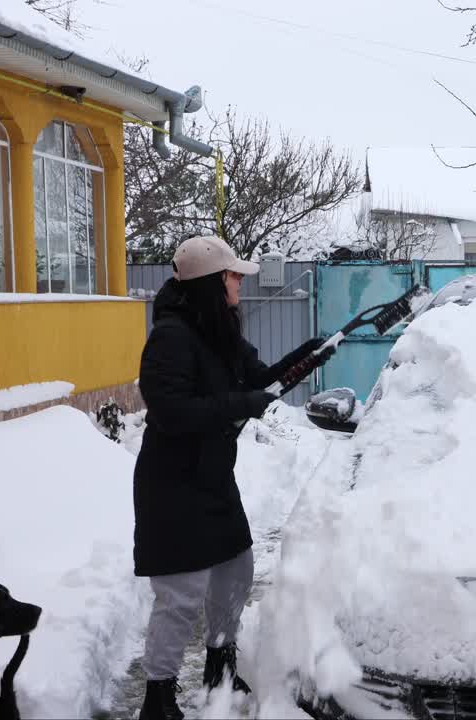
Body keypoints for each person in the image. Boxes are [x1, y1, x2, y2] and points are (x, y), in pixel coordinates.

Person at [133, 236, 322, 720]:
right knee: (179, 597)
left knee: (235, 570)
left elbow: (259, 379)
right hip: (172, 483)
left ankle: (219, 663)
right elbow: (171, 411)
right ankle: (157, 697)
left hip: (211, 476)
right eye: (234, 275)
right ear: (211, 283)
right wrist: (241, 405)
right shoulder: (172, 337)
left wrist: (310, 355)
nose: (240, 281)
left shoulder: (218, 331)